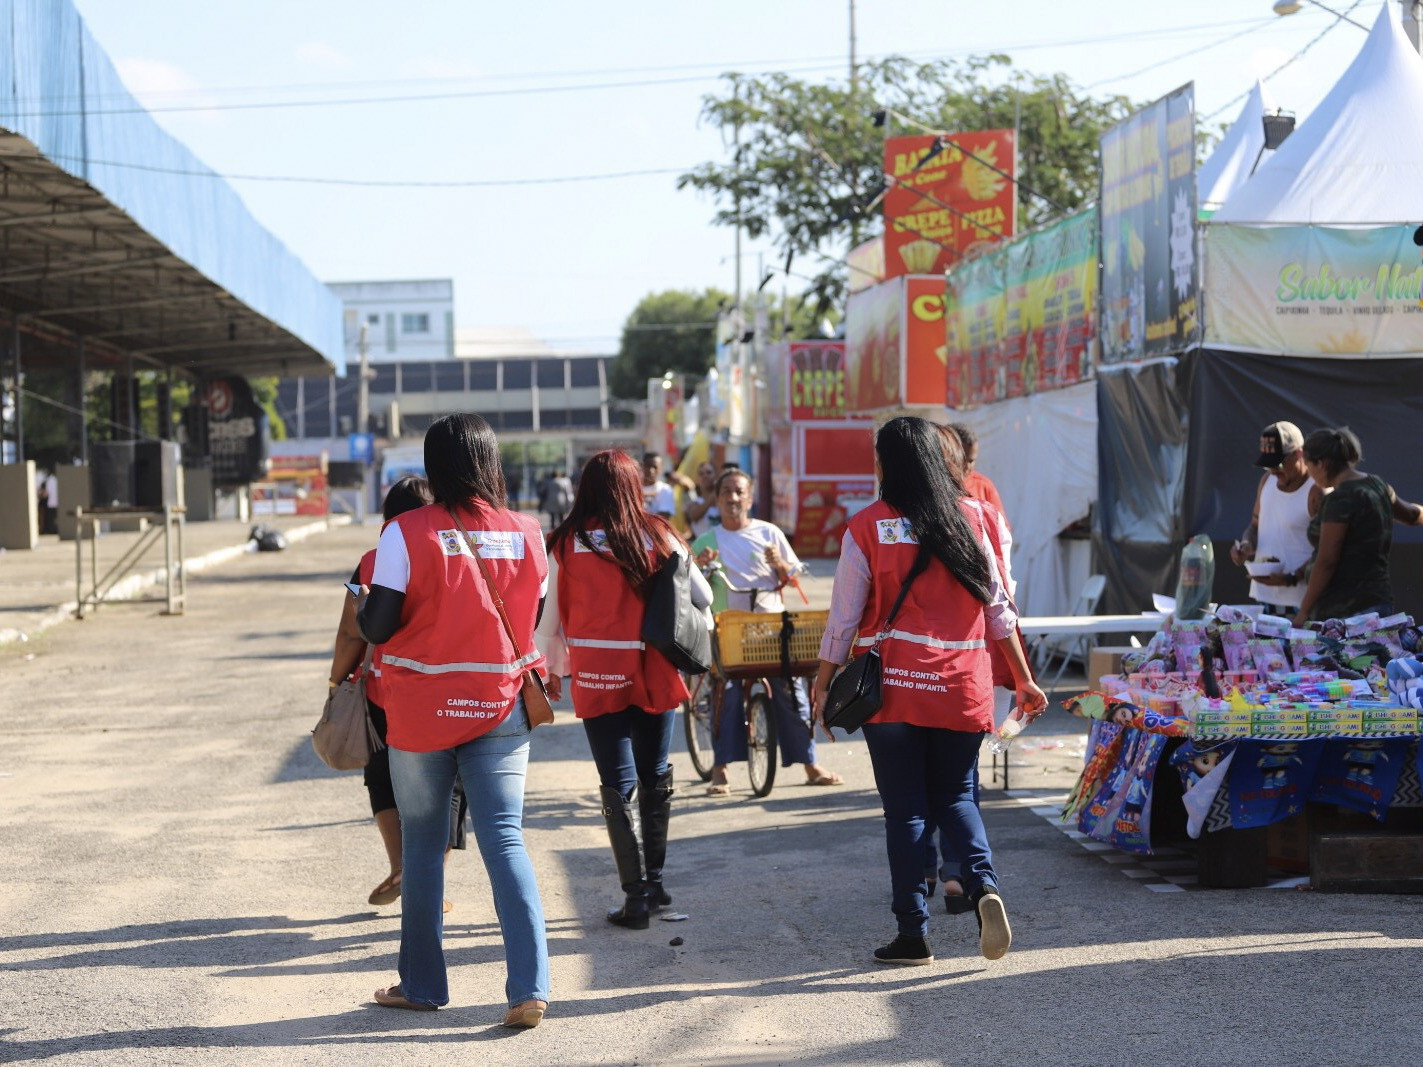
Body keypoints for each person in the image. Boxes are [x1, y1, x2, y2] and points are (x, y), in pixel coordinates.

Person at [811, 416, 1046, 966]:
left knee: (906, 812)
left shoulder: (867, 526)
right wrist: (1025, 678)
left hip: (893, 687)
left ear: (885, 464)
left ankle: (912, 935)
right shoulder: (978, 517)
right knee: (957, 796)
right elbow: (999, 611)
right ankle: (984, 886)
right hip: (962, 684)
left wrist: (823, 685)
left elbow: (842, 622)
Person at [357, 413, 550, 1028]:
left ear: (435, 466)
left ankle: (421, 986)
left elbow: (379, 627)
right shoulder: (529, 533)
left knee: (422, 844)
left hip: (421, 713)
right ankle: (529, 988)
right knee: (505, 837)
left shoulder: (403, 533)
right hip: (500, 703)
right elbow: (528, 612)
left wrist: (365, 610)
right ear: (492, 464)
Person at [536, 450, 713, 930]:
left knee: (618, 784)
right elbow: (704, 596)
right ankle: (655, 885)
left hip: (596, 677)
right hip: (652, 670)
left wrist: (549, 670)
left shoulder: (565, 542)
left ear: (585, 488)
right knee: (656, 774)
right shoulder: (658, 533)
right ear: (634, 488)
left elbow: (547, 620)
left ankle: (633, 898)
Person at [327, 475, 468, 912]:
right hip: (446, 687)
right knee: (450, 783)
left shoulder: (367, 563)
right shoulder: (455, 554)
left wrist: (336, 681)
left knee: (382, 776)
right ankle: (431, 878)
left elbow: (352, 629)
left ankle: (401, 865)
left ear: (388, 515)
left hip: (382, 690)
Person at [692, 468, 841, 795]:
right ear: (716, 500)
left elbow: (793, 576)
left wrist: (780, 564)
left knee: (791, 689)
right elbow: (689, 584)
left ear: (750, 496)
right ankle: (721, 770)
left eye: (739, 491)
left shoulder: (770, 533)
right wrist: (700, 565)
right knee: (726, 694)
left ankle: (810, 764)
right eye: (726, 492)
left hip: (771, 630)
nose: (733, 498)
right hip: (728, 630)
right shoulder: (706, 540)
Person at [1294, 427, 1423, 624]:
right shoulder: (1378, 485)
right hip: (1378, 600)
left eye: (1309, 466)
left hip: (1347, 610)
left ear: (1321, 464)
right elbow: (1412, 515)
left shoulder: (1341, 499)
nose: (1311, 476)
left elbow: (1327, 561)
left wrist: (1303, 611)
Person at [1228, 421, 1324, 616]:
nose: (1273, 472)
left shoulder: (1316, 491)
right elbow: (1255, 526)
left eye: (1278, 465)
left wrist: (1292, 577)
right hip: (1265, 599)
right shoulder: (1267, 481)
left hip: (1304, 602)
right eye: (1268, 466)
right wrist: (1246, 545)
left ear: (1299, 454)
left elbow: (1329, 549)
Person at [949, 423, 1006, 519]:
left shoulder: (984, 486)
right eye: (960, 459)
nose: (966, 466)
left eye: (971, 461)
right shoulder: (934, 484)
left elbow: (1000, 526)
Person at [683, 461, 721, 538]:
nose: (705, 476)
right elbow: (694, 516)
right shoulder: (693, 504)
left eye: (709, 472)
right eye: (701, 474)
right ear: (698, 479)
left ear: (716, 476)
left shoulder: (724, 502)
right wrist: (713, 494)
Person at [641, 452, 676, 518]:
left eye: (655, 467)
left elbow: (663, 518)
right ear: (642, 466)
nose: (651, 470)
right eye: (648, 466)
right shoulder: (634, 488)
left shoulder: (665, 489)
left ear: (661, 468)